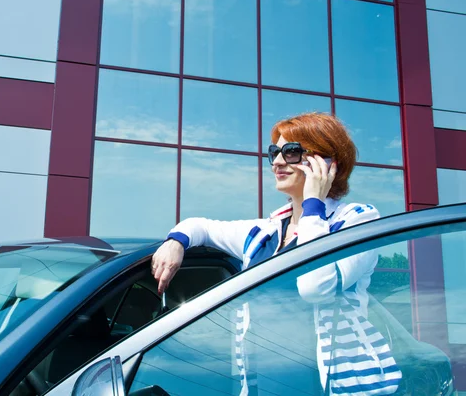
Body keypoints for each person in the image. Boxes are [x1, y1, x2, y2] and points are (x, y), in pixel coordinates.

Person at [151, 112, 400, 395]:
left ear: (328, 163)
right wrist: (175, 242)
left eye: (291, 152)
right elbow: (200, 227)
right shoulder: (263, 234)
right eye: (274, 152)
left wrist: (314, 204)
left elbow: (314, 287)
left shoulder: (356, 221)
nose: (278, 162)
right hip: (268, 386)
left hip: (332, 388)